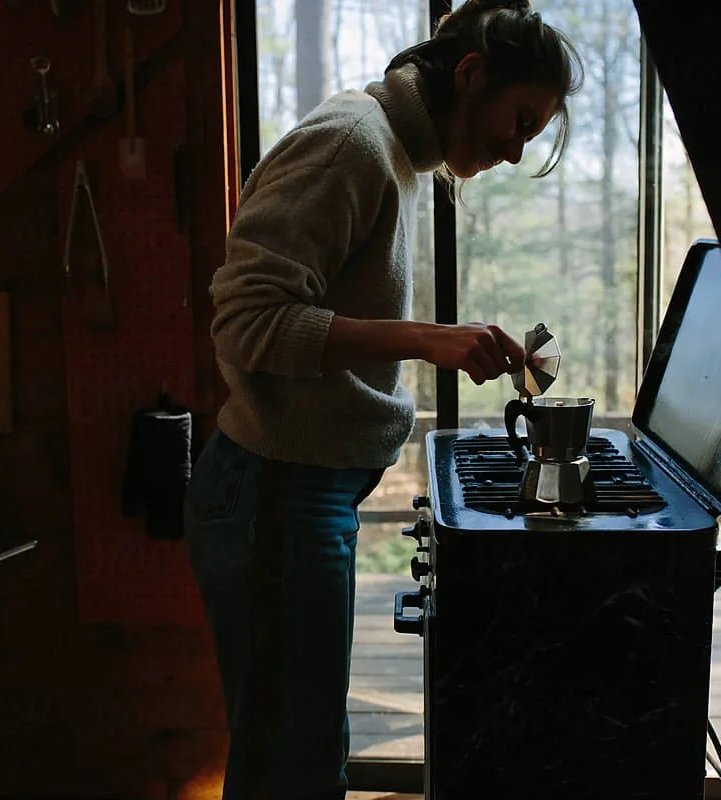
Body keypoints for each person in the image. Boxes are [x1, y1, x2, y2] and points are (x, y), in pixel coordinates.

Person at [184, 1, 583, 797]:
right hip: (274, 495)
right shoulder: (353, 144)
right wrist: (422, 339)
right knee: (289, 772)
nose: (512, 151)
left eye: (531, 139)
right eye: (517, 122)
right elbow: (246, 321)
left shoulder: (397, 153)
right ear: (469, 74)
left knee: (302, 757)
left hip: (300, 494)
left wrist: (433, 335)